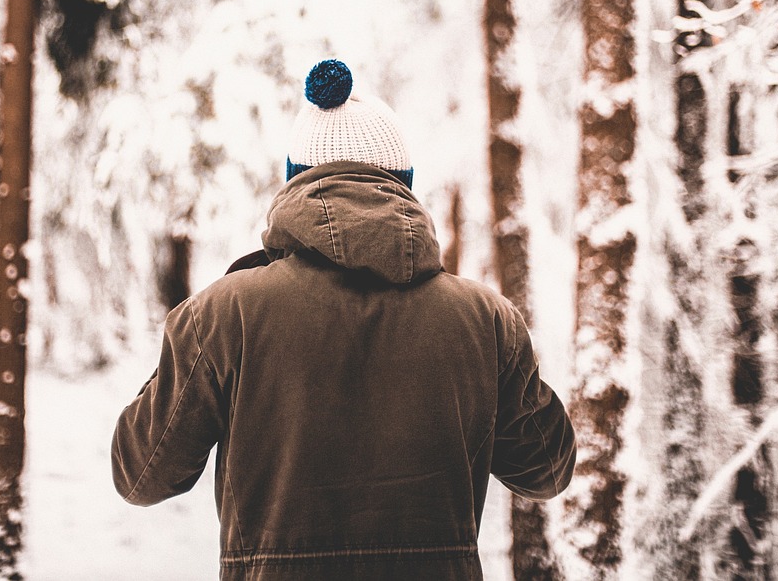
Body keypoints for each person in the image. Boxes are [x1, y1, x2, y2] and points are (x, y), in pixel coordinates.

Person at [112, 59, 576, 580]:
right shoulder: (486, 319)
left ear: (294, 183)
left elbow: (141, 475)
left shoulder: (224, 312)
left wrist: (198, 335)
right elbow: (548, 468)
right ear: (403, 186)